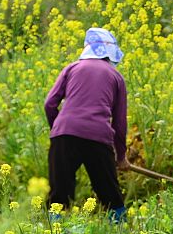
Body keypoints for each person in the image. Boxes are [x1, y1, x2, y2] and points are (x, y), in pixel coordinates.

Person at [44, 27, 131, 221]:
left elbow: (49, 104)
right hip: (98, 137)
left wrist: (58, 131)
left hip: (64, 134)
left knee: (59, 193)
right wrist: (121, 156)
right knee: (109, 192)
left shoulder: (72, 68)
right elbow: (119, 123)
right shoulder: (116, 77)